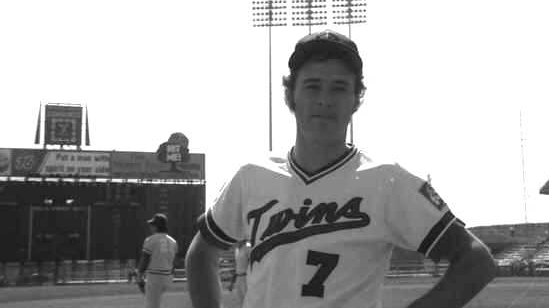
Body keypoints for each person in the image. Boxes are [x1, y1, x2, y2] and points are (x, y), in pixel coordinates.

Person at [186, 29, 496, 308]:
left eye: (338, 88)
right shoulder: (252, 176)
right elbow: (201, 253)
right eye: (312, 86)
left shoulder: (386, 181)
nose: (324, 99)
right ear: (290, 95)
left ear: (356, 98)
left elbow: (476, 259)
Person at [137, 213, 178, 308]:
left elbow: (144, 259)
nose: (151, 227)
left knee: (152, 306)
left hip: (155, 277)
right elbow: (175, 262)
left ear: (157, 226)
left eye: (153, 224)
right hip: (168, 277)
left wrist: (139, 276)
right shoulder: (173, 241)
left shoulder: (150, 240)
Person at [227, 240, 251, 308]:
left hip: (245, 277)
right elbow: (236, 267)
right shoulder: (237, 250)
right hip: (238, 278)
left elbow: (252, 263)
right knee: (240, 300)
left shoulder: (247, 248)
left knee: (247, 299)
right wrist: (232, 283)